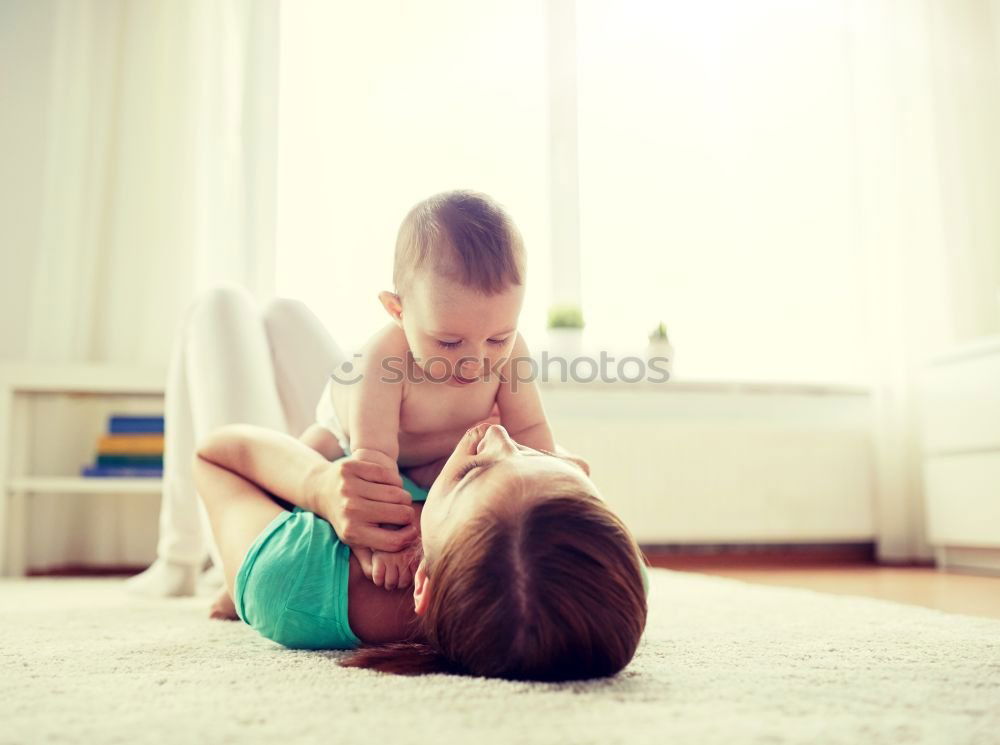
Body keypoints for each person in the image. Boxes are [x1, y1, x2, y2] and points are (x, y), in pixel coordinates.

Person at [193, 418, 649, 681]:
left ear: (422, 581)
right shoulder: (595, 579)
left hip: (289, 449)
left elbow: (215, 454)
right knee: (287, 317)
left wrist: (317, 486)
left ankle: (180, 559)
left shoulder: (291, 580)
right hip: (364, 418)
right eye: (544, 459)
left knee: (223, 312)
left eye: (471, 472)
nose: (500, 433)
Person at [316, 189, 556, 590]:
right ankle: (237, 569)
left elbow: (531, 433)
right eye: (448, 343)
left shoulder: (513, 353)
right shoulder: (384, 357)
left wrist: (552, 496)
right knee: (305, 471)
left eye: (498, 338)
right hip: (349, 434)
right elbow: (372, 458)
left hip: (436, 452)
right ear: (398, 311)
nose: (475, 361)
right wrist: (387, 541)